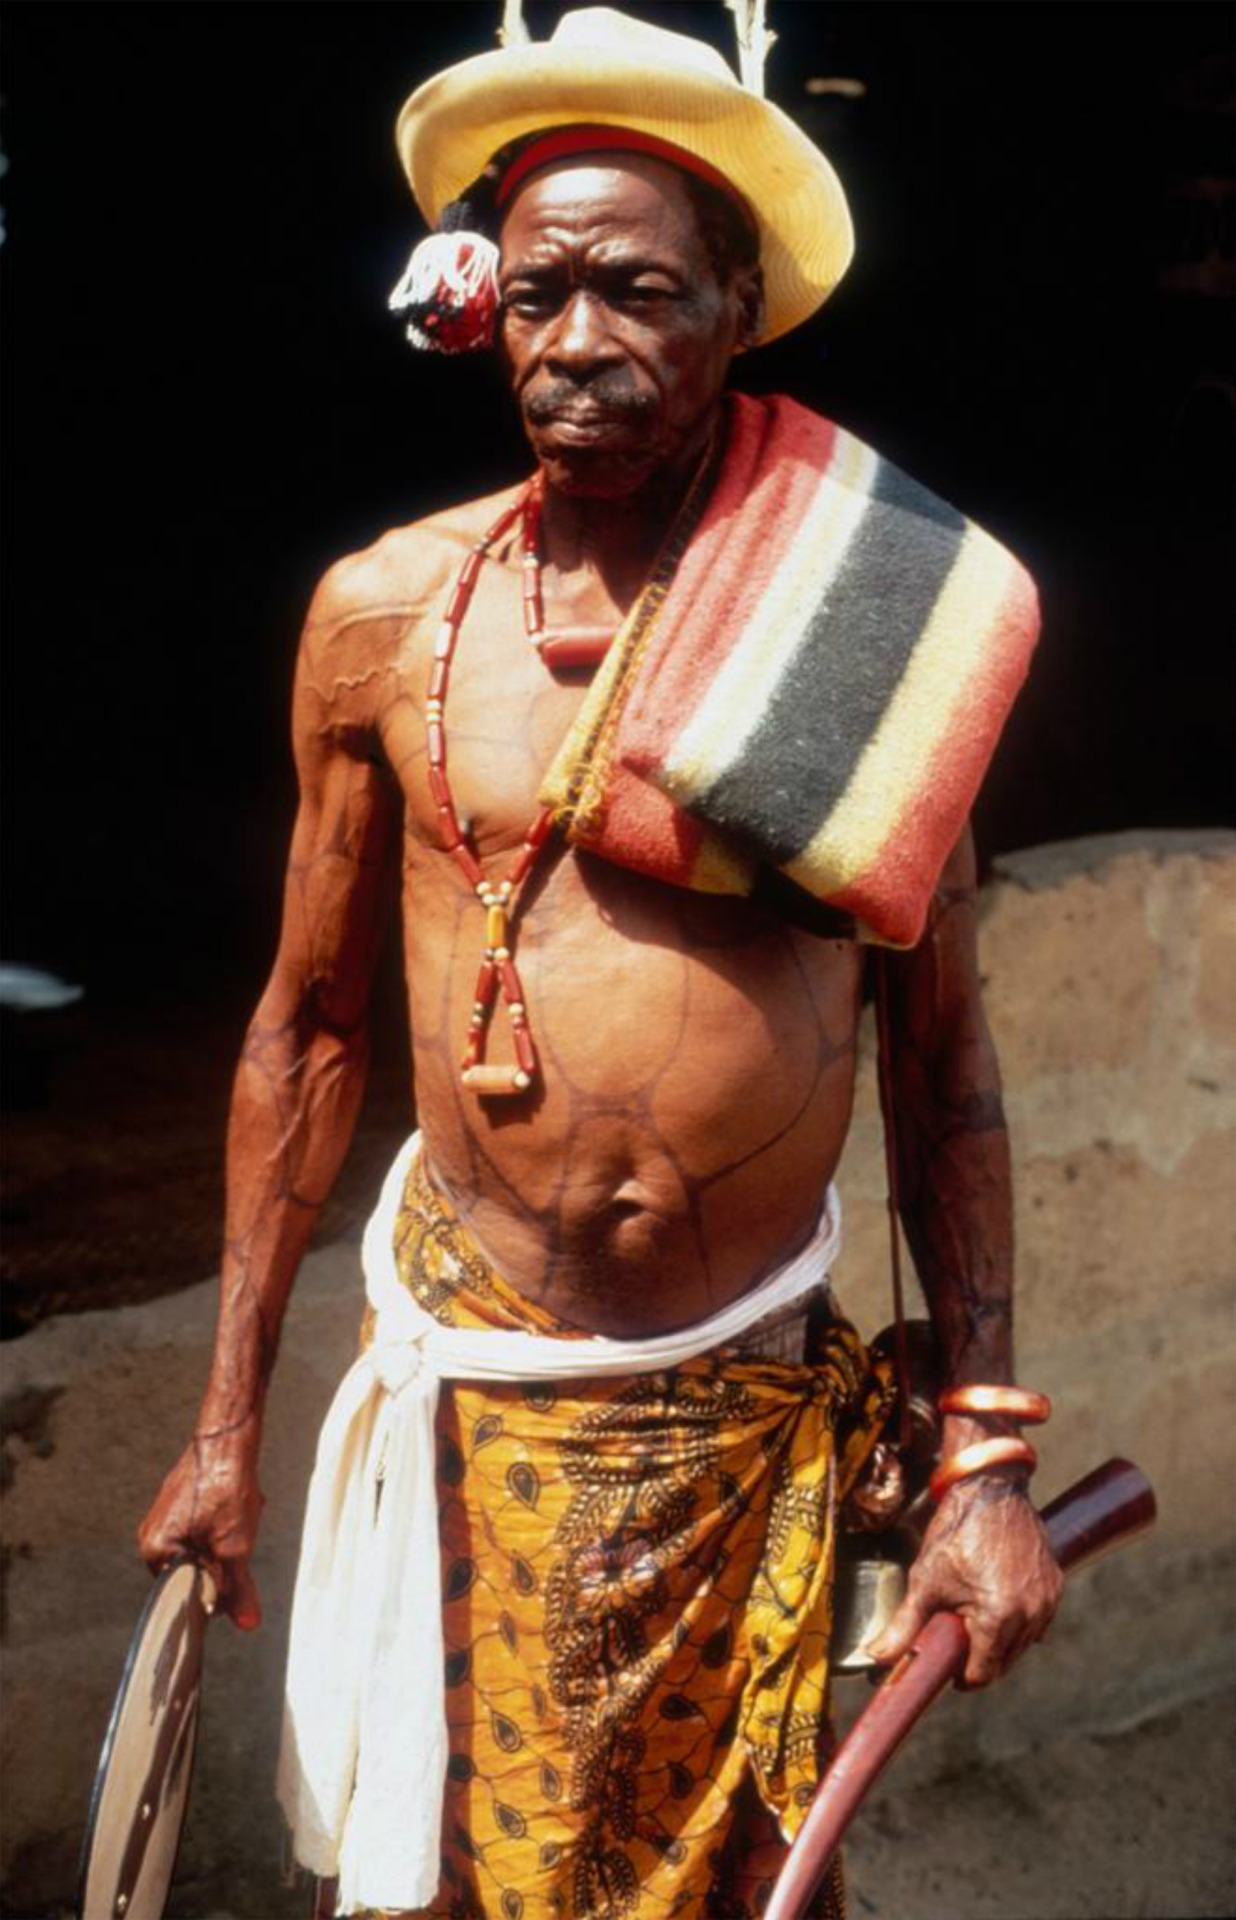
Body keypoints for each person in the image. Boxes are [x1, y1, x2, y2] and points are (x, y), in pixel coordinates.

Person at [138, 10, 1062, 1915]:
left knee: (741, 1878)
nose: (582, 344)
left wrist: (980, 1464)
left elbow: (945, 1066)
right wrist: (218, 1434)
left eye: (642, 292)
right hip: (488, 1407)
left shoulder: (865, 630)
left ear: (738, 310)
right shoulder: (384, 614)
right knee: (475, 1877)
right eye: (542, 291)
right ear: (479, 307)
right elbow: (304, 1034)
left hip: (746, 1405)